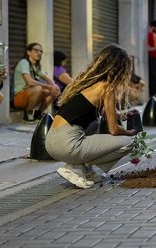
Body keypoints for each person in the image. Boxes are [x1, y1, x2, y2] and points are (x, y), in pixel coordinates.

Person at [45, 44, 139, 189]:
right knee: (128, 142)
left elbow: (104, 112)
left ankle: (86, 170)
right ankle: (78, 167)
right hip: (68, 144)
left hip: (51, 141)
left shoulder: (87, 82)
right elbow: (114, 130)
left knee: (96, 123)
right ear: (120, 68)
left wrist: (122, 115)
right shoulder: (108, 87)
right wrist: (129, 133)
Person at [13, 43, 60, 122]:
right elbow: (30, 82)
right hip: (18, 97)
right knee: (38, 89)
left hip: (29, 94)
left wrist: (54, 86)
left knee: (52, 92)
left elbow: (47, 79)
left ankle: (38, 114)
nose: (39, 53)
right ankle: (28, 114)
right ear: (28, 52)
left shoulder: (36, 66)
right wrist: (49, 86)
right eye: (36, 50)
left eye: (41, 51)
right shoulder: (24, 62)